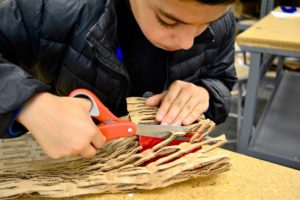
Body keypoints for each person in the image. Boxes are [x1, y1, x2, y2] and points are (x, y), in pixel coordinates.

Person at [0, 0, 237, 159]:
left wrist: (205, 94)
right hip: (68, 170)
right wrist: (29, 104)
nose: (187, 42)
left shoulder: (223, 20)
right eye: (168, 21)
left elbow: (222, 80)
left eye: (206, 24)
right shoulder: (51, 8)